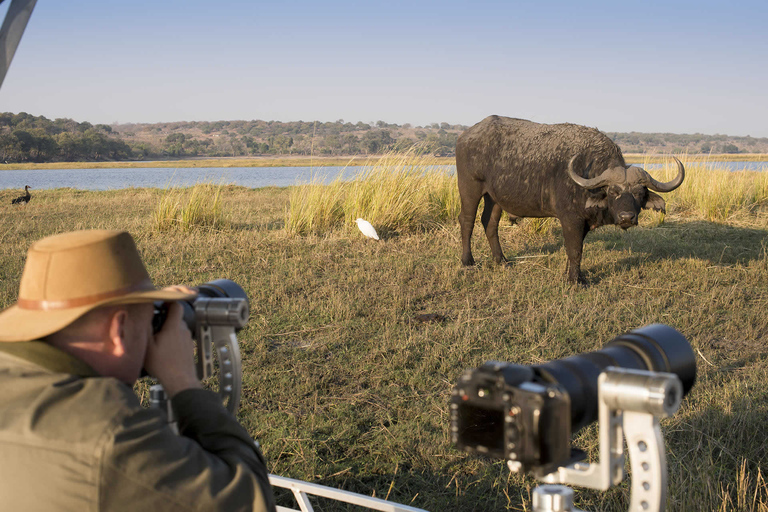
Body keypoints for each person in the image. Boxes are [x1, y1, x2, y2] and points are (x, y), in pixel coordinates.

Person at [0, 229, 276, 511]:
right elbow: (248, 499)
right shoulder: (112, 437)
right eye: (149, 325)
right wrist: (182, 381)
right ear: (118, 329)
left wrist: (140, 312)